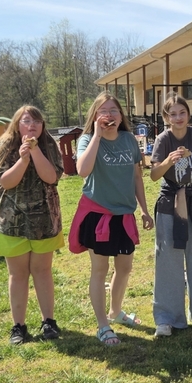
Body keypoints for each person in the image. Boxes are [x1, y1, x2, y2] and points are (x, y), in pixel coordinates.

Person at [69, 93, 153, 347]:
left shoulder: (129, 139)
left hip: (124, 215)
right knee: (100, 269)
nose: (109, 115)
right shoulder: (86, 139)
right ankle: (103, 326)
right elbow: (82, 170)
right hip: (98, 214)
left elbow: (137, 176)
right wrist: (96, 135)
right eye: (103, 111)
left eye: (114, 110)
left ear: (121, 115)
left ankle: (116, 312)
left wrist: (144, 209)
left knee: (125, 268)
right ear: (95, 116)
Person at [0, 106, 64, 344]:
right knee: (18, 274)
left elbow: (51, 177)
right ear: (17, 124)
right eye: (26, 121)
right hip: (11, 222)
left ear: (42, 126)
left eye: (37, 121)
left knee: (43, 272)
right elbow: (5, 181)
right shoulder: (6, 144)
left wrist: (35, 152)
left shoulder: (49, 144)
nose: (32, 125)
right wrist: (22, 159)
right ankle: (19, 326)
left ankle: (48, 322)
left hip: (44, 220)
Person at [150, 94, 192, 337]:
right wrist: (169, 160)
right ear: (166, 117)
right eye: (172, 114)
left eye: (182, 113)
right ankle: (167, 318)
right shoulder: (162, 139)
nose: (178, 118)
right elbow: (154, 175)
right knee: (168, 260)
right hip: (170, 203)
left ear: (188, 114)